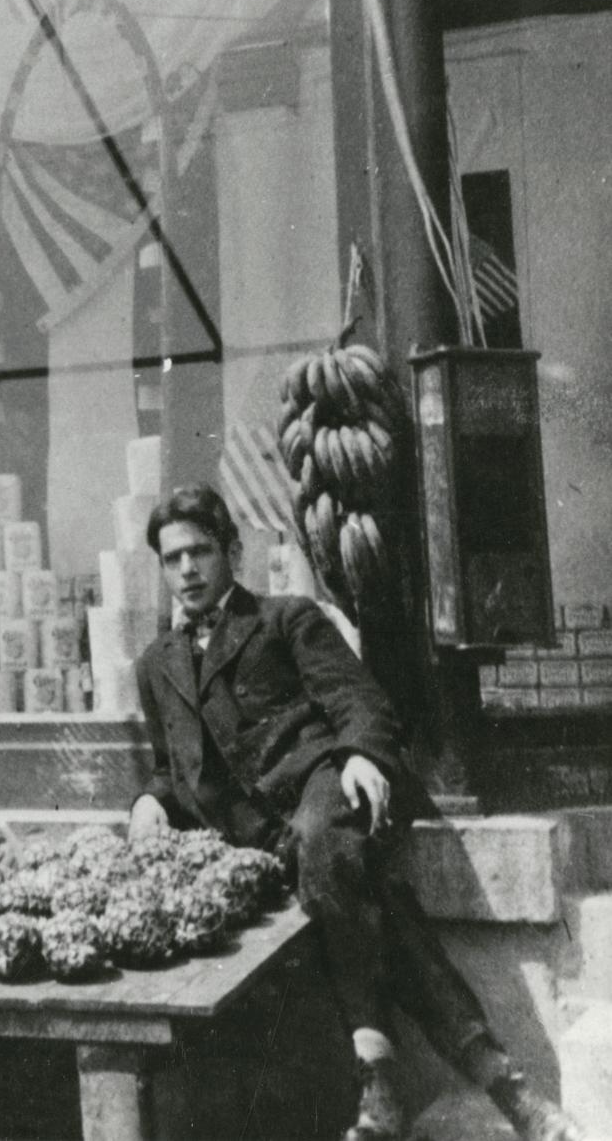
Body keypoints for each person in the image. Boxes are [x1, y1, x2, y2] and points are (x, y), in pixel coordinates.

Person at [129, 484, 581, 1141]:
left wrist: (362, 756)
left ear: (232, 551)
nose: (187, 569)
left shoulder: (286, 619)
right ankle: (505, 1090)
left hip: (318, 792)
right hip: (253, 842)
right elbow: (168, 769)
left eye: (199, 551)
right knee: (368, 897)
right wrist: (148, 799)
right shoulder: (154, 664)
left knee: (323, 846)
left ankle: (382, 1076)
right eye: (172, 558)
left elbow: (358, 702)